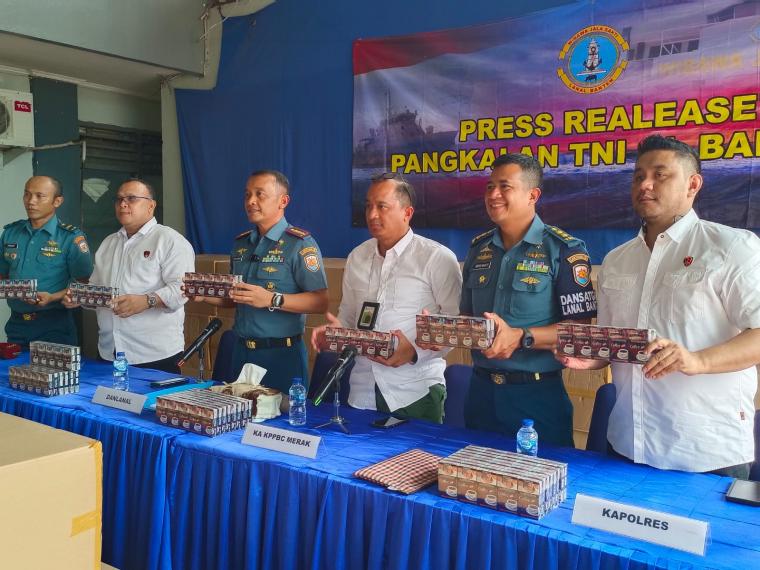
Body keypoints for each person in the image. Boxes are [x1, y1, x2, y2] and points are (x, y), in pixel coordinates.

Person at [560, 134, 760, 478]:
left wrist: (697, 360)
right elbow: (614, 344)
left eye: (660, 174)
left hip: (705, 452)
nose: (645, 185)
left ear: (692, 184)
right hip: (626, 443)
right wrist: (589, 358)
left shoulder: (732, 248)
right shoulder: (616, 260)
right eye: (638, 176)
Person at [461, 154, 597, 446]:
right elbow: (466, 320)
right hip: (480, 393)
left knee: (542, 486)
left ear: (532, 195)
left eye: (504, 186)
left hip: (536, 399)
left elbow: (581, 333)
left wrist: (521, 337)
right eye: (489, 186)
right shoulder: (477, 249)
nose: (493, 195)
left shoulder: (565, 250)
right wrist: (438, 333)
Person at [311, 173, 462, 423]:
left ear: (407, 212)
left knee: (415, 463)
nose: (372, 215)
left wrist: (414, 351)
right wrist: (337, 334)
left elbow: (455, 323)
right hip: (362, 390)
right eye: (369, 206)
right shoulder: (357, 257)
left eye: (382, 207)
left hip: (415, 391)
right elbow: (349, 315)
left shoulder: (437, 258)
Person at [194, 170, 328, 393]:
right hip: (241, 352)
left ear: (282, 201)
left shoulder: (300, 244)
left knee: (280, 426)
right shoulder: (242, 244)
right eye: (247, 195)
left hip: (281, 355)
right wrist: (204, 296)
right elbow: (237, 298)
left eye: (260, 194)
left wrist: (271, 299)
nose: (251, 201)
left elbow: (320, 302)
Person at [64, 179, 194, 373]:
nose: (123, 204)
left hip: (153, 355)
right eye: (119, 200)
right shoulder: (109, 243)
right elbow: (97, 288)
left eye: (131, 198)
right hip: (110, 351)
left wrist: (146, 301)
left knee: (149, 405)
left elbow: (182, 290)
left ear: (151, 205)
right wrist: (81, 298)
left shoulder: (169, 241)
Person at [0, 175, 93, 346]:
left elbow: (85, 284)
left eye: (39, 196)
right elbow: (2, 275)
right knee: (13, 372)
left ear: (57, 201)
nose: (31, 201)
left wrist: (52, 297)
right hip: (16, 324)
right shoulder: (10, 233)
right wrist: (12, 290)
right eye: (27, 195)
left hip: (54, 326)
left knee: (54, 373)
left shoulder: (70, 238)